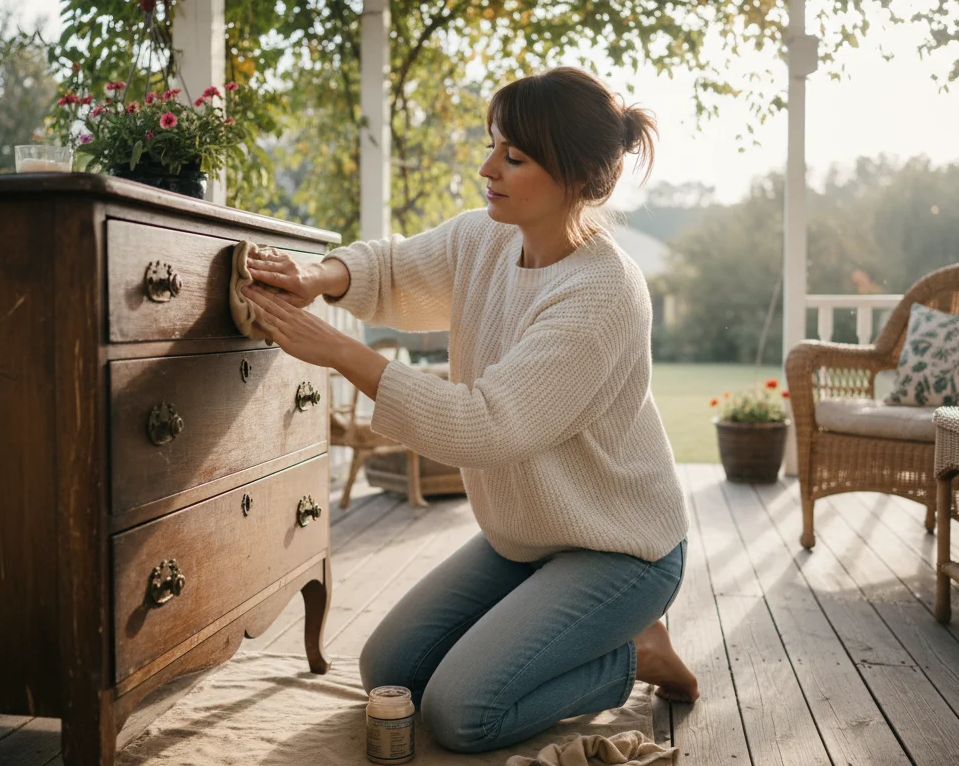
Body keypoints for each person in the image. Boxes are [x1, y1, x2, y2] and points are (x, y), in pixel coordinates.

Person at [239, 66, 695, 755]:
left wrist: (335, 351)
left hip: (620, 549)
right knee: (388, 675)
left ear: (575, 176)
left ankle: (639, 657)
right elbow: (394, 269)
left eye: (513, 156)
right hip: (525, 540)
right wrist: (317, 277)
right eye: (492, 145)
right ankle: (577, 633)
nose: (488, 167)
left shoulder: (602, 294)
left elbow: (487, 425)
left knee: (462, 714)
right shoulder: (486, 238)